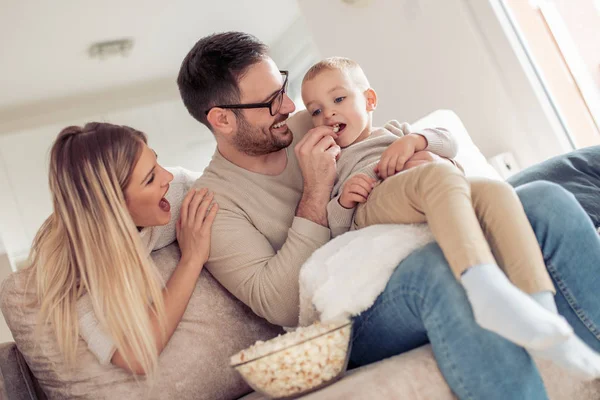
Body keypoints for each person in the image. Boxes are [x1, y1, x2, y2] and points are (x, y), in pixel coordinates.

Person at [177, 31, 600, 398]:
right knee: (436, 269)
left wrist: (431, 161)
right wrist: (318, 190)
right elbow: (282, 306)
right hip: (352, 311)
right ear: (222, 120)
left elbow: (407, 155)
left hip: (416, 227)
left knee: (545, 199)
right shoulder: (214, 202)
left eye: (282, 85)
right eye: (271, 100)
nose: (290, 106)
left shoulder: (311, 117)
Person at [300, 57, 576, 353]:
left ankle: (541, 307)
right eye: (316, 111)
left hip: (424, 189)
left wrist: (415, 141)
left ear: (369, 100)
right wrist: (344, 200)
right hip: (375, 202)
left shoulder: (396, 131)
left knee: (496, 191)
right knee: (436, 175)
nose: (328, 113)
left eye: (338, 99)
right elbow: (339, 233)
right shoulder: (334, 161)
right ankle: (486, 289)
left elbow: (448, 142)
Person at [26, 122, 217, 376]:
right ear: (112, 208)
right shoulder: (74, 272)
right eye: (150, 179)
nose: (167, 178)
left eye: (156, 162)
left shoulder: (176, 189)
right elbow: (136, 357)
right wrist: (191, 260)